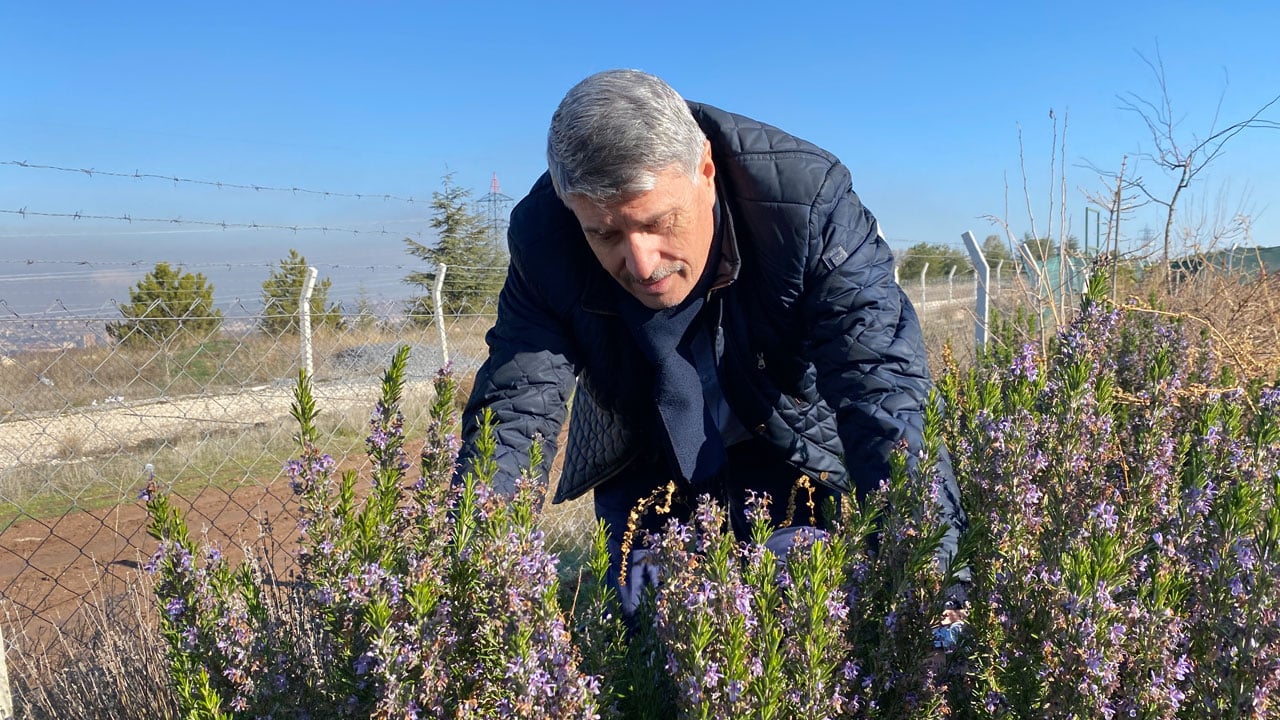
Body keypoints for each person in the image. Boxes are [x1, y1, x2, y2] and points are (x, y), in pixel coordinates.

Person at [454, 69, 966, 609]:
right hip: (645, 456)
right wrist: (474, 580)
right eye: (604, 234)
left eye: (658, 221)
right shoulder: (544, 238)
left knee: (804, 627)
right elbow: (514, 408)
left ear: (705, 169)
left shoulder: (807, 203)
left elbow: (880, 387)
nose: (640, 263)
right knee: (650, 642)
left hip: (786, 443)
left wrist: (930, 575)